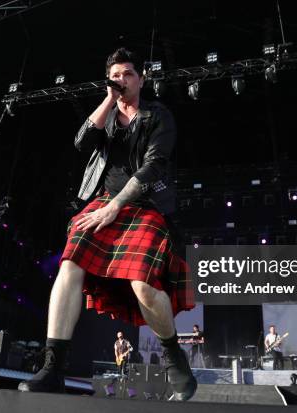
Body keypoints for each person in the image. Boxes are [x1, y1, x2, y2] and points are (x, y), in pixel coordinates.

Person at [18, 48, 196, 401]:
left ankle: (174, 358)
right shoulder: (109, 113)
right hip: (103, 203)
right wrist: (107, 101)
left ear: (141, 79)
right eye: (115, 75)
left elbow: (153, 166)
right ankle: (53, 368)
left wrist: (116, 206)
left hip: (144, 205)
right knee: (70, 265)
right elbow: (82, 142)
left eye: (128, 74)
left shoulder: (158, 115)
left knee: (142, 286)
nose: (121, 80)